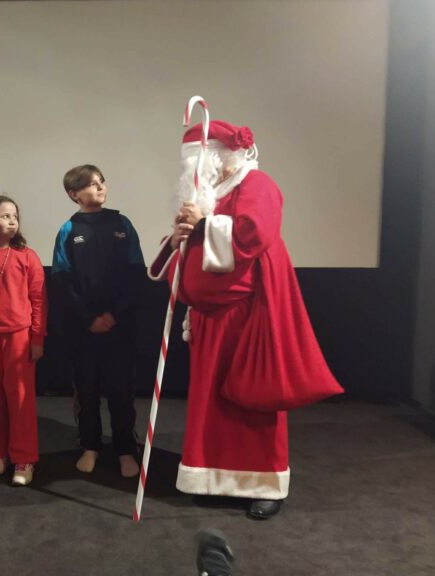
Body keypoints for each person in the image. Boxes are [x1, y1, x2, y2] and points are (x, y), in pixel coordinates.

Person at [149, 121, 343, 519]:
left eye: (198, 161)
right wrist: (179, 238)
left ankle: (263, 483)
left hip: (246, 316)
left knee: (253, 400)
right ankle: (213, 479)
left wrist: (205, 222)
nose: (193, 171)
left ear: (221, 157)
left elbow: (254, 234)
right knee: (210, 404)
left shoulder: (257, 185)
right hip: (207, 321)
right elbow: (192, 247)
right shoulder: (208, 195)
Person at [51, 164, 146, 478]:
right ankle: (90, 445)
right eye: (91, 184)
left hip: (120, 325)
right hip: (84, 329)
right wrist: (89, 318)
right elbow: (63, 281)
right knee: (87, 390)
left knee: (121, 390)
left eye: (101, 181)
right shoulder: (68, 230)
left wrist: (114, 314)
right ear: (74, 194)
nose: (100, 187)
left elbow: (136, 272)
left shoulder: (122, 224)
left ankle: (125, 449)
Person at [0, 195, 46, 486]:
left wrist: (37, 337)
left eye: (15, 216)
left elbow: (38, 299)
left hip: (19, 336)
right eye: (5, 216)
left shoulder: (27, 256)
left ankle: (24, 458)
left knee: (20, 398)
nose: (12, 221)